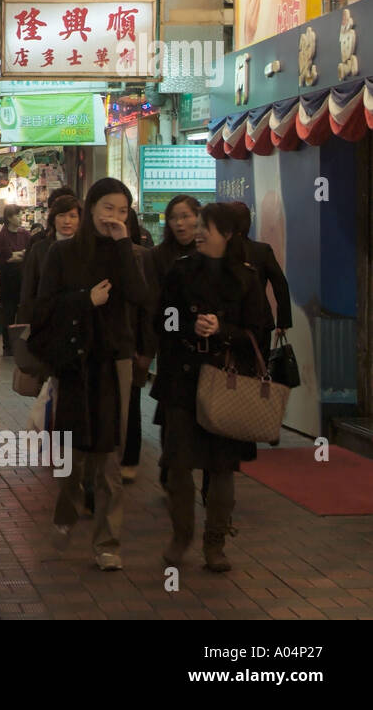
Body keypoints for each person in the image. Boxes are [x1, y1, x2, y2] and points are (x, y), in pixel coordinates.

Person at [30, 178, 146, 572]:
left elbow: (137, 295)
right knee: (75, 455)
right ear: (91, 207)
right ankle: (66, 512)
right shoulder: (62, 255)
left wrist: (124, 243)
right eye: (109, 208)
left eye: (123, 211)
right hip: (76, 364)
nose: (114, 216)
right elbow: (42, 309)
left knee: (109, 457)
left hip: (116, 363)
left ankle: (107, 542)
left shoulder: (125, 252)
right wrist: (85, 300)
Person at [151, 203, 270, 571]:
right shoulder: (180, 271)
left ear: (229, 234)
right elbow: (164, 321)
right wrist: (189, 328)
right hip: (182, 383)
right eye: (197, 224)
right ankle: (181, 534)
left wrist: (222, 330)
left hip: (226, 382)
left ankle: (215, 543)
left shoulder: (247, 277)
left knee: (221, 468)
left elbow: (258, 333)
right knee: (178, 466)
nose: (198, 231)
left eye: (207, 227)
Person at [121, 207, 160, 484]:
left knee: (132, 402)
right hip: (103, 346)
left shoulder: (142, 256)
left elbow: (149, 308)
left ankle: (129, 458)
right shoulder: (88, 255)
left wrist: (146, 349)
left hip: (132, 344)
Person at [227, 200, 291, 341]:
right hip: (261, 322)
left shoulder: (221, 251)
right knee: (260, 362)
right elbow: (280, 284)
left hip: (229, 324)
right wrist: (283, 321)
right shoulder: (262, 250)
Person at [17, 194, 82, 322]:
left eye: (72, 216)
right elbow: (28, 290)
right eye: (61, 215)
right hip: (47, 320)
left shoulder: (86, 248)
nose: (67, 221)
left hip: (80, 320)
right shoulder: (40, 249)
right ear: (53, 219)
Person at [0, 205, 32, 356]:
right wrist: (18, 255)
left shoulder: (25, 234)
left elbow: (28, 253)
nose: (20, 218)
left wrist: (17, 255)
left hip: (23, 277)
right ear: (9, 218)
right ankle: (7, 346)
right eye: (17, 215)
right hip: (8, 279)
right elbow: (7, 258)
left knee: (23, 312)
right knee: (9, 312)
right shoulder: (2, 235)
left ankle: (22, 344)